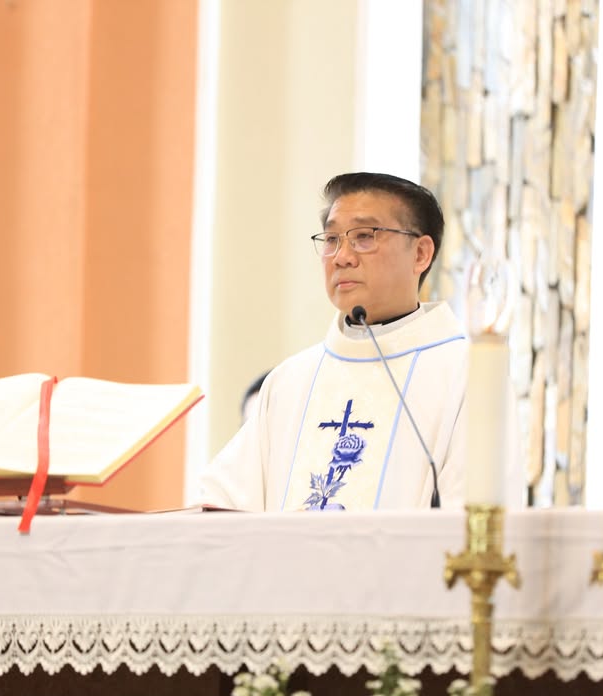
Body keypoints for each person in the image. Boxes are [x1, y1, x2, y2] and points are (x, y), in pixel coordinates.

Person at [200, 172, 517, 511]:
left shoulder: (467, 376)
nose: (342, 256)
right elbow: (221, 504)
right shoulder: (288, 381)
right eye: (331, 239)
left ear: (421, 254)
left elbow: (474, 516)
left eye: (364, 237)